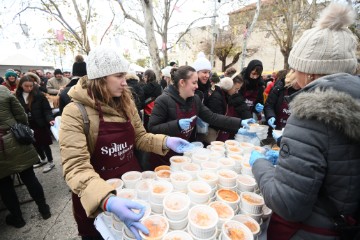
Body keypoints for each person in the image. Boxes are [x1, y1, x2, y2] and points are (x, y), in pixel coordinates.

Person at [249, 3, 360, 239]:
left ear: (310, 71)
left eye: (295, 66)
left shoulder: (311, 113)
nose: (294, 72)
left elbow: (288, 204)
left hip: (310, 231)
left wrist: (260, 164)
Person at [59, 46, 191, 240]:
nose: (125, 82)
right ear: (100, 77)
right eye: (119, 76)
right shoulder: (75, 112)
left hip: (132, 184)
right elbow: (75, 167)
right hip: (97, 193)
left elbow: (140, 137)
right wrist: (106, 200)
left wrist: (165, 140)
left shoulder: (125, 102)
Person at [148, 66, 255, 169]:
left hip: (183, 153)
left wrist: (239, 122)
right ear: (182, 82)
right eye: (194, 83)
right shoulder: (163, 100)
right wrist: (176, 125)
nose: (197, 86)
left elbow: (213, 117)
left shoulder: (195, 99)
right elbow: (152, 128)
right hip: (163, 155)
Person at [0, 85, 51, 228]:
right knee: (29, 176)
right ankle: (44, 209)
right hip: (13, 138)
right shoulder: (3, 90)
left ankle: (17, 218)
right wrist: (20, 128)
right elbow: (21, 114)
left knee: (4, 184)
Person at [15, 76, 56, 173]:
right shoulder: (17, 95)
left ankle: (50, 161)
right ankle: (42, 159)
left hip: (39, 122)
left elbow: (47, 109)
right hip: (27, 123)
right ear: (21, 85)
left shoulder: (39, 95)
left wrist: (50, 119)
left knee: (45, 143)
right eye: (26, 86)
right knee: (34, 143)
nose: (29, 88)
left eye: (31, 86)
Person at [206, 75, 252, 142]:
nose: (237, 92)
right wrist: (237, 128)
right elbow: (217, 120)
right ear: (229, 85)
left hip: (221, 131)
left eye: (238, 89)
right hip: (213, 133)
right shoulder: (217, 97)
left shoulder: (225, 95)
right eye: (236, 89)